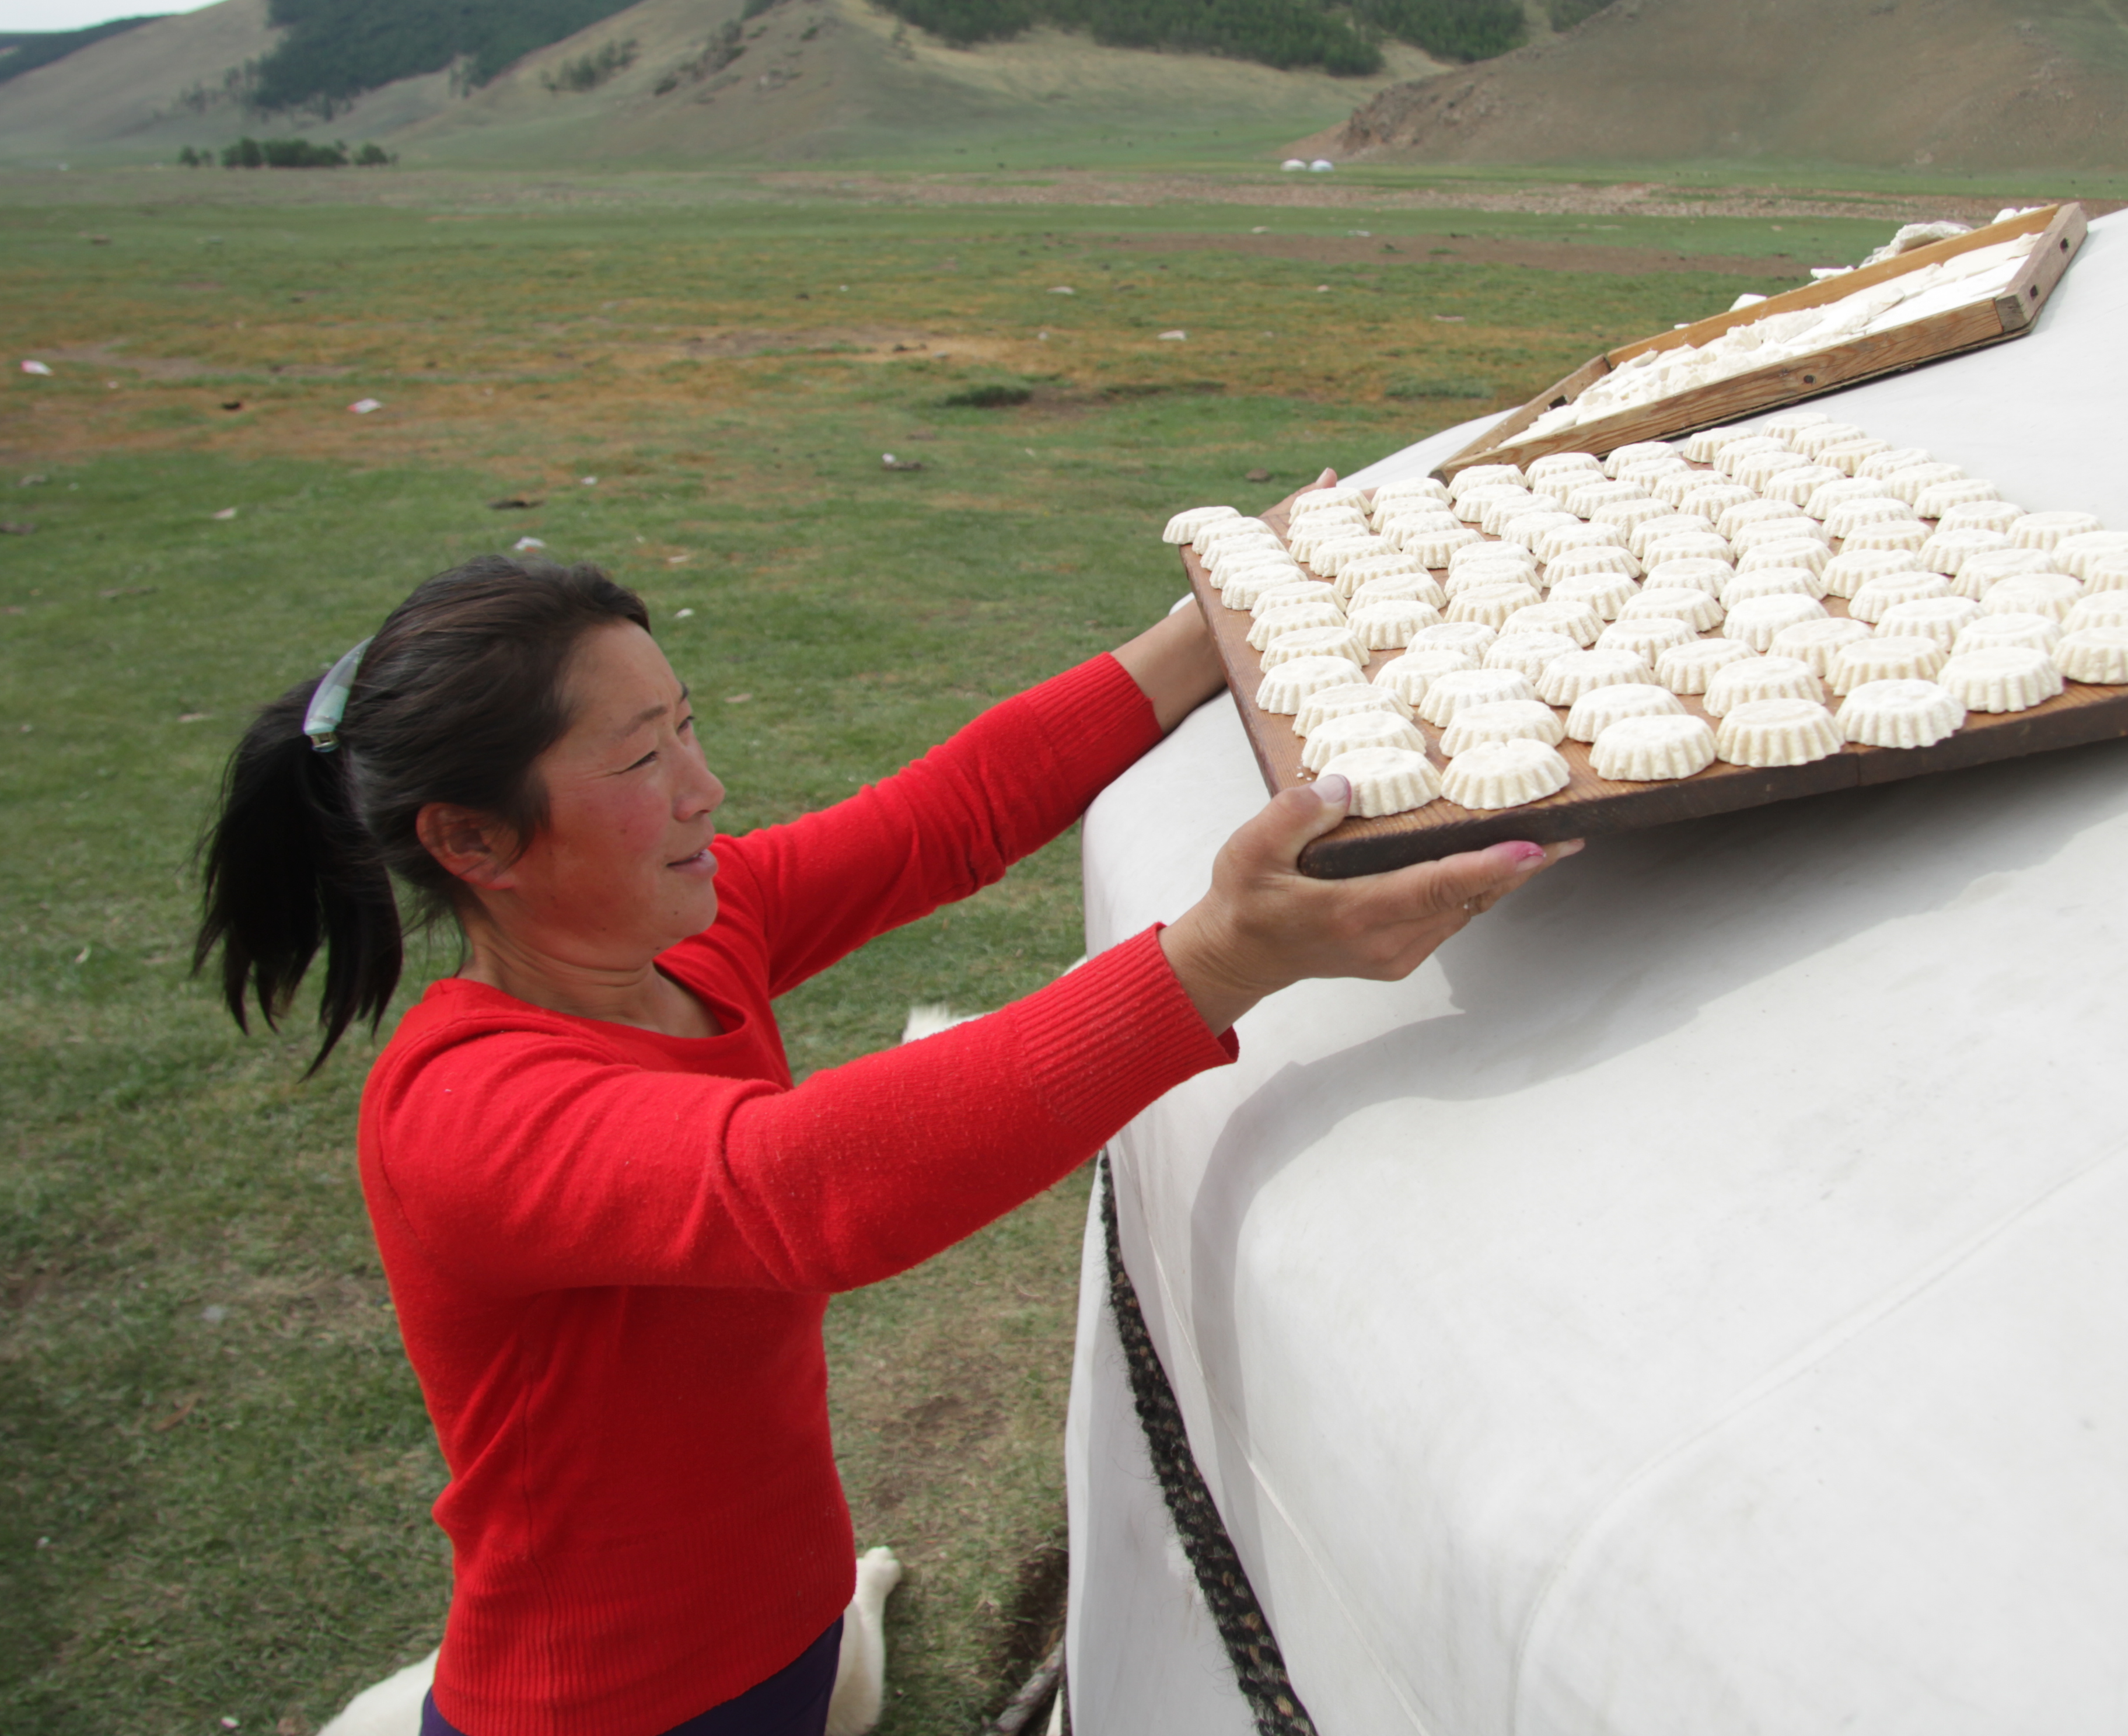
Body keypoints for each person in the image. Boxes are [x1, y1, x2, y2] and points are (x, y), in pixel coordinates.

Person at [194, 549, 1574, 1736]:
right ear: (472, 843)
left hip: (782, 1617)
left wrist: (1200, 633)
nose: (704, 787)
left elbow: (943, 819)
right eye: (640, 761)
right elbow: (805, 1188)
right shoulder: (462, 1107)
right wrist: (1213, 962)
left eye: (684, 725)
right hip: (608, 1703)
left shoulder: (691, 937)